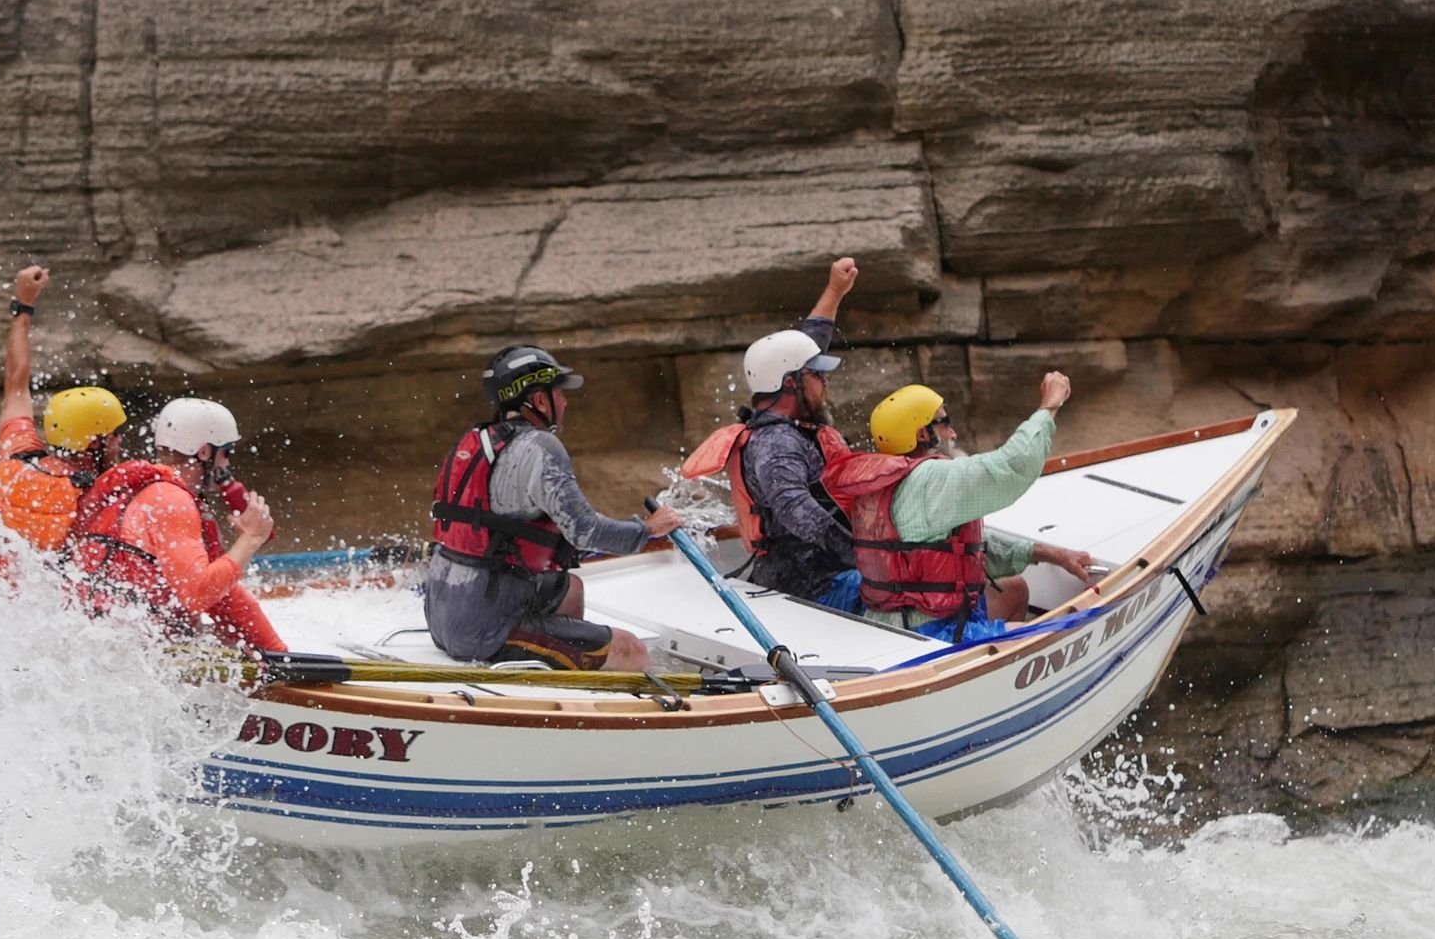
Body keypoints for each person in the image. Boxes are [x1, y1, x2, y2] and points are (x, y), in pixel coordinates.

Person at [425, 345, 682, 672]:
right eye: (558, 393)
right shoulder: (539, 446)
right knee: (631, 649)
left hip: (443, 617)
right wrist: (648, 530)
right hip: (486, 630)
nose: (565, 401)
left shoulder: (473, 440)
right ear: (540, 400)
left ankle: (562, 674)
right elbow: (586, 531)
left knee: (569, 589)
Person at [823, 374, 1099, 644]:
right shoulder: (929, 480)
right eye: (945, 422)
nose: (953, 432)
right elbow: (1013, 465)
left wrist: (1053, 554)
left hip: (892, 620)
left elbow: (954, 551)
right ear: (922, 434)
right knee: (1054, 635)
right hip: (926, 633)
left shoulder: (884, 482)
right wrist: (1049, 405)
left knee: (1013, 589)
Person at [680, 257, 860, 602]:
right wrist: (866, 557)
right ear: (790, 383)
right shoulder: (776, 444)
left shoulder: (785, 415)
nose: (825, 381)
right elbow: (797, 512)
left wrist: (835, 290)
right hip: (810, 587)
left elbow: (807, 345)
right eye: (817, 375)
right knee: (906, 590)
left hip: (823, 572)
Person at [68, 397, 287, 653]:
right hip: (127, 647)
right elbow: (198, 595)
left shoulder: (153, 489)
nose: (227, 463)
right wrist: (249, 539)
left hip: (107, 633)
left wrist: (276, 652)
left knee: (218, 638)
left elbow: (222, 595)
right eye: (226, 452)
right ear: (205, 452)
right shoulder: (172, 500)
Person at [0, 264, 128, 564]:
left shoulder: (19, 457)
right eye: (114, 435)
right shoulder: (99, 498)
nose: (119, 442)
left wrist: (24, 303)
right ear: (93, 443)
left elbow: (16, 386)